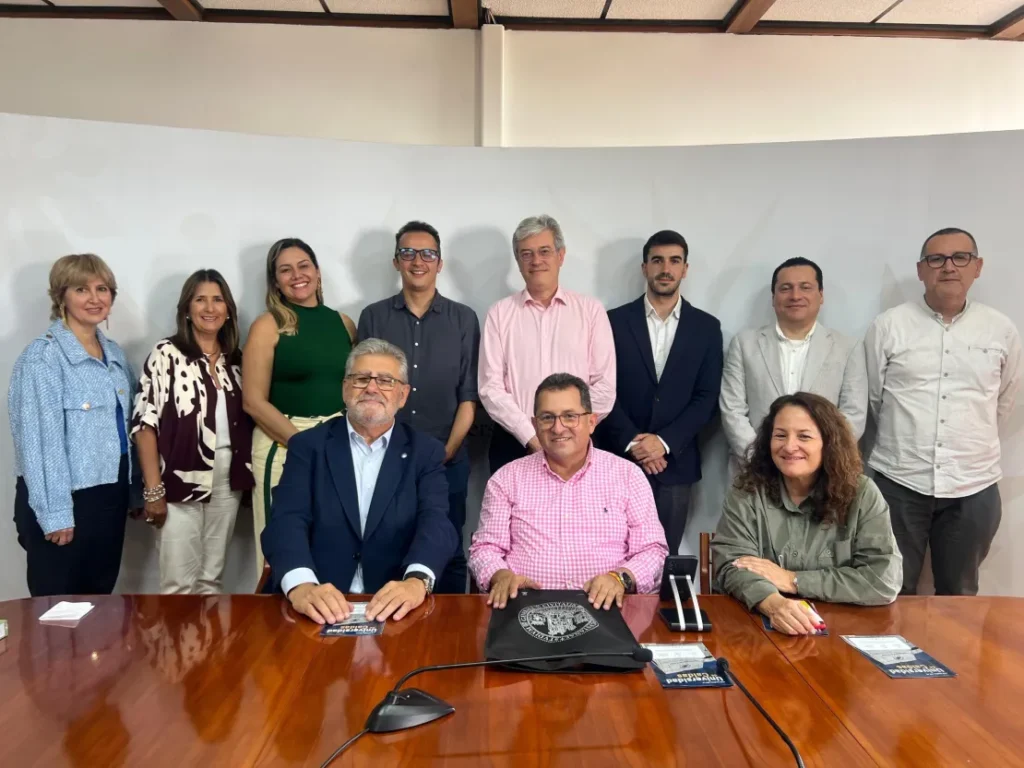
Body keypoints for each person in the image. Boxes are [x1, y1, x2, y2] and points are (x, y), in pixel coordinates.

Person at [866, 227, 1021, 596]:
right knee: (890, 590)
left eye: (960, 258)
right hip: (899, 480)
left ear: (977, 266)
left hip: (973, 484)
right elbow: (876, 398)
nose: (948, 267)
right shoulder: (889, 326)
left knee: (960, 592)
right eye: (937, 259)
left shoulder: (1000, 330)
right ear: (921, 270)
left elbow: (1005, 398)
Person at [261, 339, 457, 625]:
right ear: (344, 388)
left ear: (403, 395)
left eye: (386, 381)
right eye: (361, 378)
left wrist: (416, 582)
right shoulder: (307, 447)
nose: (372, 388)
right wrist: (301, 585)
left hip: (393, 607)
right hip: (318, 604)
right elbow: (286, 521)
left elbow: (437, 523)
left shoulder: (425, 452)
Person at [469, 373, 669, 610]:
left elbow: (653, 550)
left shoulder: (627, 476)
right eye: (547, 418)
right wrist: (499, 575)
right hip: (525, 612)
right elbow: (484, 549)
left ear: (592, 422)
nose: (558, 427)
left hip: (609, 612)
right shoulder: (506, 479)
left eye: (570, 416)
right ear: (534, 425)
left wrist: (620, 578)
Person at [712, 393, 902, 635]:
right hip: (759, 627)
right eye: (780, 435)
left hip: (844, 627)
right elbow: (733, 565)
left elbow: (882, 580)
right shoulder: (747, 492)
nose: (789, 446)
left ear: (828, 442)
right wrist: (774, 604)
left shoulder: (862, 493)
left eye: (804, 436)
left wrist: (792, 579)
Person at [357, 221, 480, 594]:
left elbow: (469, 396)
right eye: (408, 252)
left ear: (440, 263)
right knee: (386, 542)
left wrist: (447, 451)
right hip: (385, 455)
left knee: (447, 543)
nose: (418, 261)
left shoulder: (463, 318)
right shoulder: (374, 317)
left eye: (427, 253)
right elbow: (366, 392)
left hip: (447, 456)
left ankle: (449, 631)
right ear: (396, 262)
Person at [8, 253, 137, 596]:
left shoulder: (114, 355)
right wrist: (56, 514)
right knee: (56, 613)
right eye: (82, 289)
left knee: (99, 603)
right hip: (66, 502)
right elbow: (37, 445)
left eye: (103, 289)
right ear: (61, 295)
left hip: (109, 496)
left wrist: (134, 490)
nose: (95, 299)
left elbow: (128, 431)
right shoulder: (42, 359)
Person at [599, 230, 722, 554]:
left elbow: (707, 398)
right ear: (644, 268)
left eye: (674, 261)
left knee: (664, 557)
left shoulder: (707, 328)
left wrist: (663, 444)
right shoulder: (611, 322)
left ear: (685, 268)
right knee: (609, 555)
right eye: (657, 260)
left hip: (674, 464)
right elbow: (600, 388)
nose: (665, 268)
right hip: (617, 457)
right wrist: (634, 442)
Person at [132, 269, 254, 594]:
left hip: (228, 479)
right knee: (178, 585)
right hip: (178, 478)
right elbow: (145, 424)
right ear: (187, 308)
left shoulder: (238, 361)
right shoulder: (166, 354)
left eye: (218, 299)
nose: (210, 307)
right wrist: (153, 491)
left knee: (210, 580)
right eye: (200, 299)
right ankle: (175, 647)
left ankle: (206, 647)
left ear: (228, 309)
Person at [242, 238, 357, 577]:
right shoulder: (268, 325)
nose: (297, 275)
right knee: (279, 547)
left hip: (335, 443)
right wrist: (302, 444)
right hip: (283, 444)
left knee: (329, 541)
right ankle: (268, 628)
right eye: (285, 270)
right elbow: (253, 400)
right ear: (275, 281)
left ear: (318, 272)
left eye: (304, 265)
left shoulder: (344, 323)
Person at [478, 215, 616, 473]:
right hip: (514, 444)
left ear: (561, 256)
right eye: (526, 254)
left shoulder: (591, 311)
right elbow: (490, 387)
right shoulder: (499, 313)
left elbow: (605, 386)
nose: (536, 261)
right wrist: (531, 435)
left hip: (577, 446)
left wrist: (568, 429)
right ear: (518, 261)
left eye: (544, 251)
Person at [720, 257, 867, 461]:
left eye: (805, 287)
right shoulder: (744, 344)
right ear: (773, 298)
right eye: (786, 288)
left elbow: (853, 415)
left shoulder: (848, 348)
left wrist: (814, 460)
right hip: (755, 470)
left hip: (823, 473)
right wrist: (764, 459)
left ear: (821, 295)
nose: (795, 295)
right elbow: (732, 410)